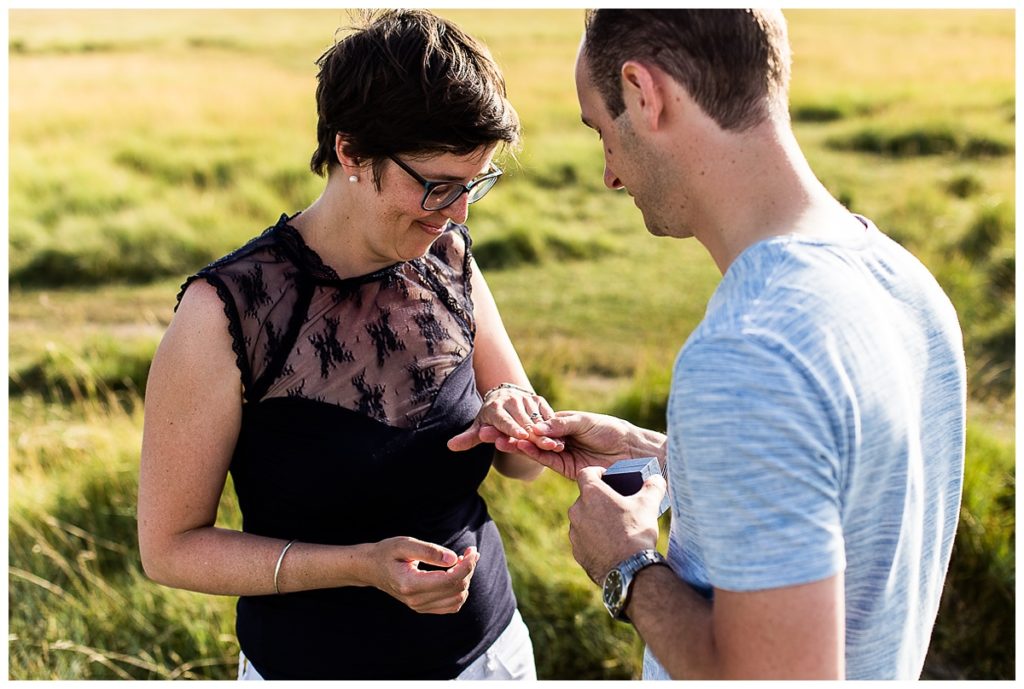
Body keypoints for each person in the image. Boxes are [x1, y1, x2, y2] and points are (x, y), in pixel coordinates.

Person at [454, 8, 966, 680]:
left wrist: (626, 567)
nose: (610, 174)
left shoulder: (750, 353)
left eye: (603, 131)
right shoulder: (904, 282)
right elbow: (837, 485)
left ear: (644, 93)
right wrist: (676, 456)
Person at [137, 9, 563, 681]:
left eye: (474, 183)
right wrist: (359, 566)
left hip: (494, 658)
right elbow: (169, 549)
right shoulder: (222, 314)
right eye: (437, 185)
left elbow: (524, 466)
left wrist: (512, 412)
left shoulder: (447, 254)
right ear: (351, 151)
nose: (459, 212)